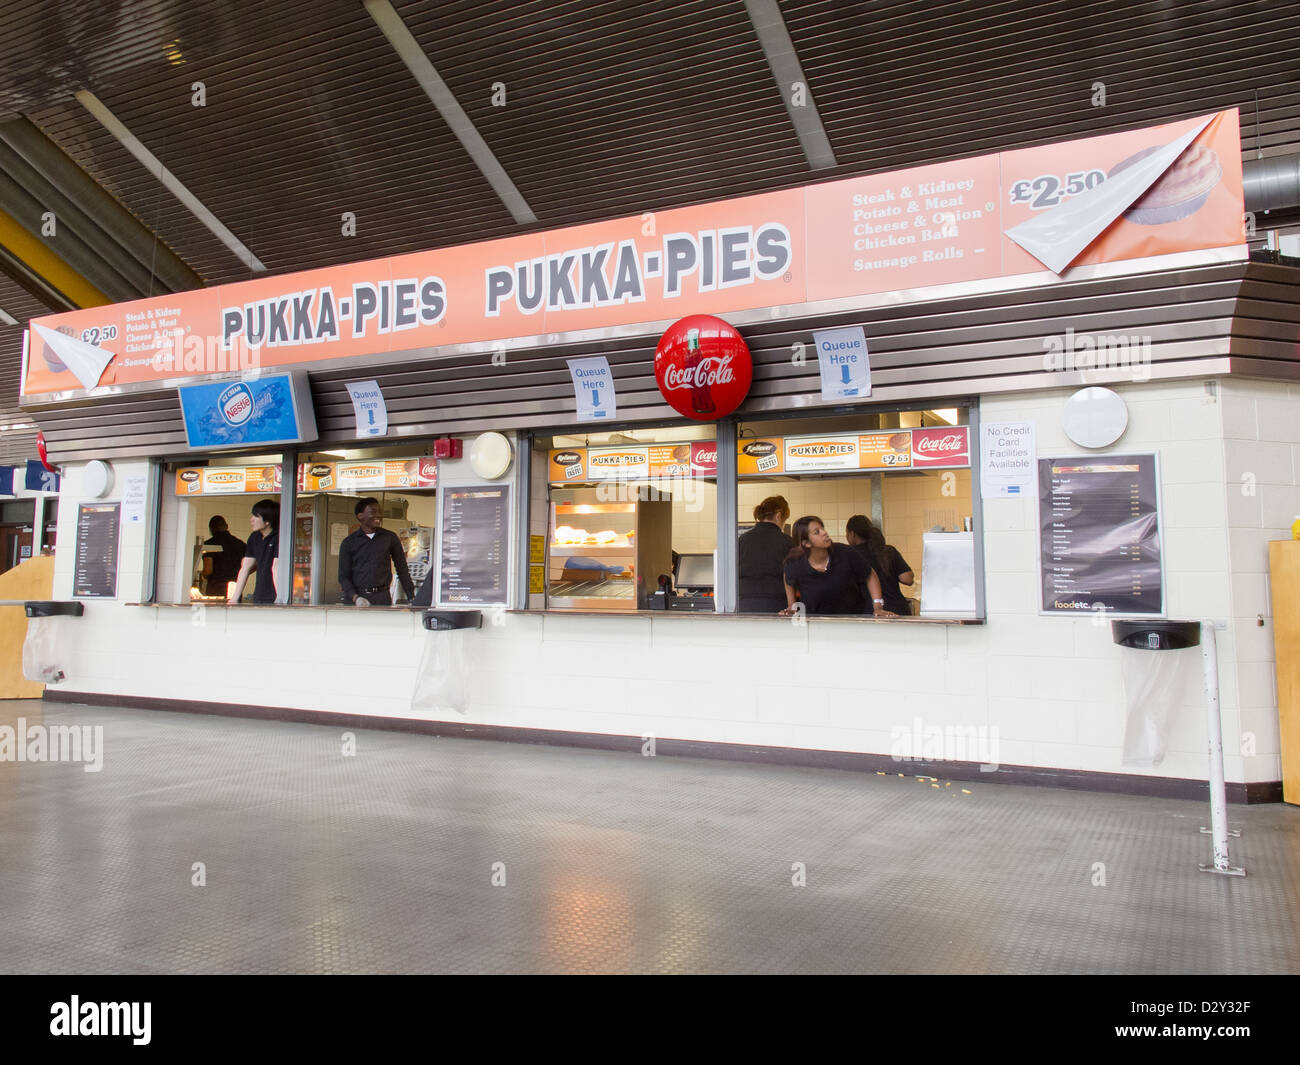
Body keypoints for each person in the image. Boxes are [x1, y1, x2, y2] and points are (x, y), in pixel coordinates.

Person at [780, 514, 891, 617]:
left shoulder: (845, 552)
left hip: (851, 620)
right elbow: (787, 577)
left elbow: (870, 574)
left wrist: (878, 606)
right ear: (806, 543)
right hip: (816, 624)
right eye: (817, 532)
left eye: (822, 528)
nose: (824, 532)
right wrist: (792, 605)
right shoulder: (795, 564)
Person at [338, 497, 415, 607]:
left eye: (379, 512)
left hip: (382, 597)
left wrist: (411, 596)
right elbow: (343, 576)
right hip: (357, 598)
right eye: (373, 512)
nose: (378, 515)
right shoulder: (349, 542)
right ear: (360, 516)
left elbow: (402, 568)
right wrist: (355, 597)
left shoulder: (390, 538)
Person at [846, 514, 914, 616]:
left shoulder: (851, 555)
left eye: (846, 533)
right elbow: (907, 579)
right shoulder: (888, 551)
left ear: (852, 534)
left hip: (870, 612)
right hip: (897, 610)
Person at [738, 495, 792, 613]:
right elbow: (792, 574)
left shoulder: (742, 539)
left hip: (743, 604)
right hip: (776, 604)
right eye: (784, 519)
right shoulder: (786, 541)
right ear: (778, 516)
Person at [228, 499, 281, 605]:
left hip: (274, 597)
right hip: (259, 595)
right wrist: (234, 598)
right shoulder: (254, 537)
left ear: (268, 521)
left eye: (256, 516)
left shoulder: (279, 537)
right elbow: (245, 568)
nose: (251, 519)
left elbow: (276, 567)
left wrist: (279, 597)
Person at [203, 515, 246, 597]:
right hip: (235, 588)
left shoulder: (209, 544)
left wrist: (203, 575)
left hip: (215, 589)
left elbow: (208, 570)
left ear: (211, 529)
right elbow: (253, 564)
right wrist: (242, 574)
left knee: (216, 610)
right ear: (226, 526)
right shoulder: (240, 544)